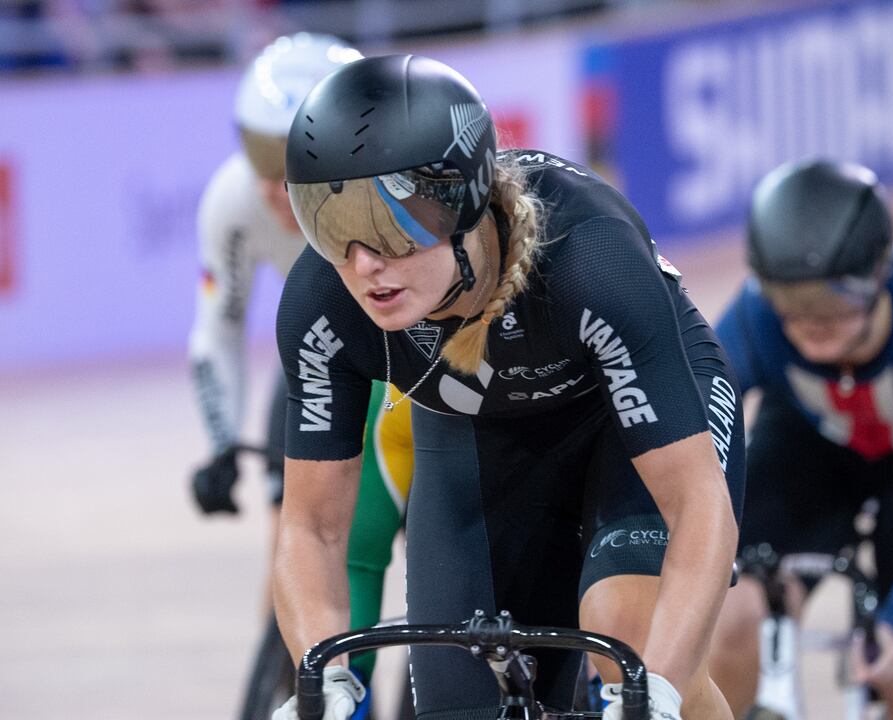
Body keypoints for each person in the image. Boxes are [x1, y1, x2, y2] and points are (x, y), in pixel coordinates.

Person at [269, 54, 746, 720]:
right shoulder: (322, 304)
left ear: (458, 203)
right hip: (476, 433)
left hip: (629, 411)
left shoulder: (590, 263)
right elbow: (312, 527)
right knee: (458, 703)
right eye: (332, 229)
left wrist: (659, 691)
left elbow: (699, 505)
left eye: (386, 229)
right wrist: (326, 676)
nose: (363, 264)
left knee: (627, 645)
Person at [706, 160, 893, 720]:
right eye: (791, 300)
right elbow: (690, 431)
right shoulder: (754, 316)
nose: (811, 320)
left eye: (832, 298)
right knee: (729, 626)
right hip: (807, 448)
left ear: (879, 270)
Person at [187, 32, 413, 689]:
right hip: (315, 369)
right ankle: (294, 686)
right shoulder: (232, 199)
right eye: (257, 151)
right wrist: (222, 440)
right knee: (295, 553)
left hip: (408, 373)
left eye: (289, 154)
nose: (269, 183)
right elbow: (217, 330)